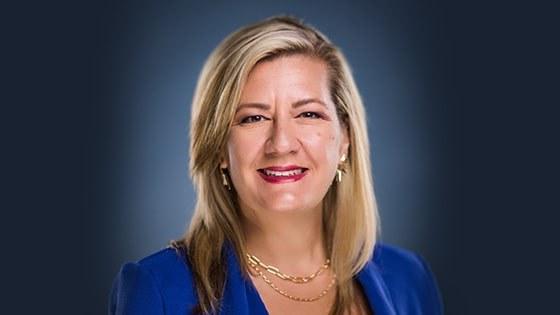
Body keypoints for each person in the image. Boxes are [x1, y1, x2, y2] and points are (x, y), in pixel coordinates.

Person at [109, 16, 443, 315]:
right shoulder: (158, 289)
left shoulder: (410, 279)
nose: (281, 143)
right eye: (253, 118)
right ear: (220, 148)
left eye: (308, 114)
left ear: (345, 140)